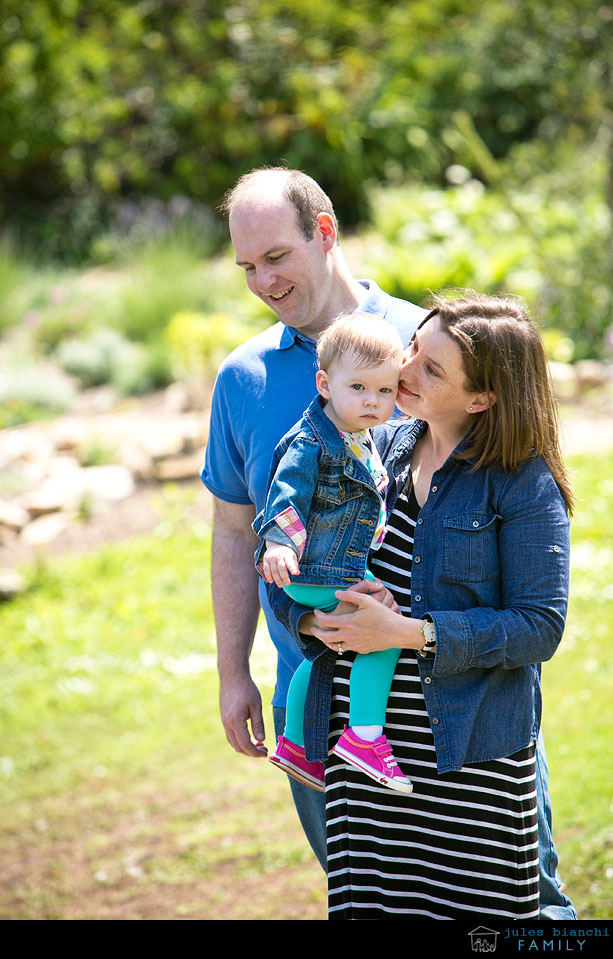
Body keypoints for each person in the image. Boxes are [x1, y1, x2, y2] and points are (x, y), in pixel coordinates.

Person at [199, 166, 576, 919]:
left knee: (519, 906)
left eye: (276, 256)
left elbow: (534, 610)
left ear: (325, 231)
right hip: (331, 712)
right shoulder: (275, 393)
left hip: (464, 735)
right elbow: (245, 531)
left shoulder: (433, 354)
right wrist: (250, 656)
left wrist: (404, 628)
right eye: (246, 266)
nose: (396, 379)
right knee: (373, 897)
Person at [268, 292, 574, 919]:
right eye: (414, 348)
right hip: (366, 758)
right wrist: (313, 616)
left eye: (432, 369)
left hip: (469, 761)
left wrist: (407, 632)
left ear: (481, 399)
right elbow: (291, 552)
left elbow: (539, 627)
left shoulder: (523, 479)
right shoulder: (376, 448)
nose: (402, 370)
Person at [254, 313, 412, 794]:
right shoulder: (312, 441)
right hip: (317, 567)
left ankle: (297, 745)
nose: (372, 401)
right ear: (324, 384)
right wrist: (279, 541)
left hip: (336, 564)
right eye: (359, 387)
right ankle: (365, 736)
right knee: (382, 637)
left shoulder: (357, 435)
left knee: (323, 651)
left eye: (386, 392)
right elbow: (286, 490)